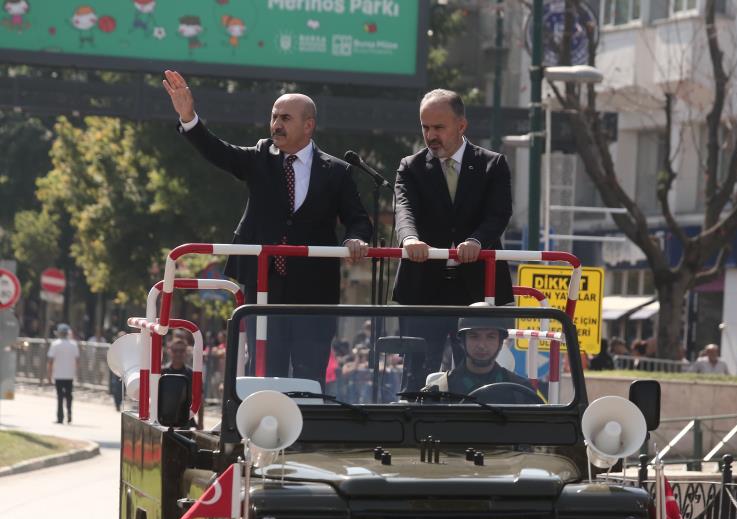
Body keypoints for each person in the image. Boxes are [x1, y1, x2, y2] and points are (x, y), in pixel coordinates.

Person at [161, 69, 372, 384]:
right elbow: (218, 151)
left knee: (308, 370)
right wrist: (188, 116)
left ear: (308, 125)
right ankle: (255, 428)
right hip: (264, 283)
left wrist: (356, 239)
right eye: (274, 116)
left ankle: (305, 426)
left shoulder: (337, 172)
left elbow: (357, 219)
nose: (276, 124)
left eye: (286, 118)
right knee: (261, 368)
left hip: (314, 288)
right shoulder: (260, 156)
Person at [392, 89, 514, 390]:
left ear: (461, 126)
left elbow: (498, 215)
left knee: (476, 376)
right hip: (423, 287)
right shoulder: (411, 167)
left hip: (475, 288)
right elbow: (404, 210)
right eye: (425, 127)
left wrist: (476, 241)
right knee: (417, 374)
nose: (430, 135)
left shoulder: (492, 164)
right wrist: (409, 240)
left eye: (438, 127)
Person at [427, 314, 535, 398]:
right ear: (462, 342)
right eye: (474, 336)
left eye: (490, 337)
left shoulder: (521, 391)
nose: (482, 345)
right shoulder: (440, 391)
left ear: (501, 342)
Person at [47, 323, 79, 424]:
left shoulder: (55, 344)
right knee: (69, 395)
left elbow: (51, 361)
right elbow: (77, 361)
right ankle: (69, 413)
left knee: (60, 396)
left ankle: (60, 417)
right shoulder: (73, 345)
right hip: (69, 375)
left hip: (58, 374)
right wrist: (75, 372)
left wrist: (49, 374)